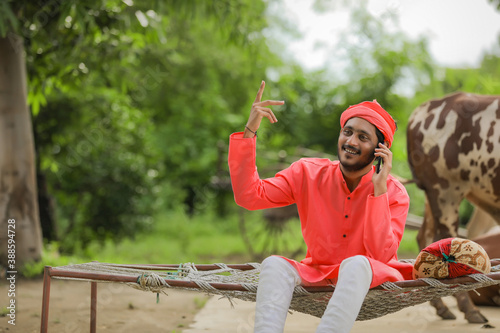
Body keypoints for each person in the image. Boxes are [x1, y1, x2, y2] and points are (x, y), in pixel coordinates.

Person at [228, 81, 413, 332]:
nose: (351, 141)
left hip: (371, 278)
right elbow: (249, 196)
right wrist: (249, 131)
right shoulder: (307, 173)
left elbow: (380, 255)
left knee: (357, 263)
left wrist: (378, 192)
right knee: (273, 264)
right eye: (347, 132)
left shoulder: (394, 193)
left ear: (380, 150)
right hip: (318, 272)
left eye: (363, 137)